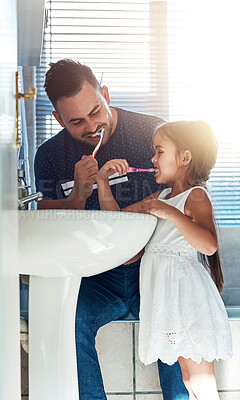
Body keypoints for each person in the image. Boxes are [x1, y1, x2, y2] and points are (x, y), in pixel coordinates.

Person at [34, 59, 189, 400]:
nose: (92, 127)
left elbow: (182, 200)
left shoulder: (155, 135)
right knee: (68, 324)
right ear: (59, 120)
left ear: (105, 93)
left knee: (174, 324)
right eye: (77, 122)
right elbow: (46, 224)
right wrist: (78, 192)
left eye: (96, 111)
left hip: (152, 269)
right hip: (95, 276)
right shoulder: (49, 155)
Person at [96, 120, 233, 400]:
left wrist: (169, 212)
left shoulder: (195, 196)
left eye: (159, 152)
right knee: (188, 378)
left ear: (184, 157)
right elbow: (118, 221)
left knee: (200, 381)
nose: (152, 159)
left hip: (187, 299)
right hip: (168, 300)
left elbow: (208, 245)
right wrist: (102, 182)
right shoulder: (162, 197)